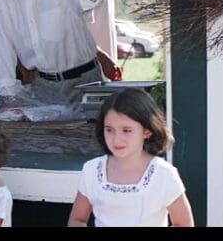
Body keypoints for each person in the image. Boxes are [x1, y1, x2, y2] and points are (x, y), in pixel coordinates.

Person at [68, 88, 194, 227]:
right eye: (109, 129)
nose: (117, 139)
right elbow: (77, 220)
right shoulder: (91, 170)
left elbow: (184, 224)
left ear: (147, 131)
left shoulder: (163, 174)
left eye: (126, 130)